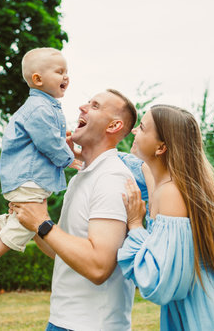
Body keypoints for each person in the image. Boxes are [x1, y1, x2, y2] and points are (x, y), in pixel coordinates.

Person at [11, 89, 142, 331]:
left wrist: (43, 224)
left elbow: (98, 266)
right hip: (63, 321)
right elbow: (61, 250)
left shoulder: (111, 177)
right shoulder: (83, 176)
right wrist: (32, 218)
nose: (82, 107)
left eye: (94, 106)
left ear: (114, 125)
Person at [117, 104, 214, 330]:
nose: (133, 131)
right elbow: (133, 165)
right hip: (206, 302)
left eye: (141, 127)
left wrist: (135, 226)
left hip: (203, 313)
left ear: (161, 147)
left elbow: (160, 282)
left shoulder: (171, 193)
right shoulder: (163, 182)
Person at [0, 47, 76, 297]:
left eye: (67, 71)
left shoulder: (44, 107)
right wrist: (70, 159)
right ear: (38, 79)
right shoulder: (40, 109)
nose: (66, 76)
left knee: (18, 217)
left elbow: (50, 139)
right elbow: (48, 143)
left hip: (24, 176)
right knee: (29, 221)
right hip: (29, 177)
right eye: (59, 72)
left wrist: (63, 144)